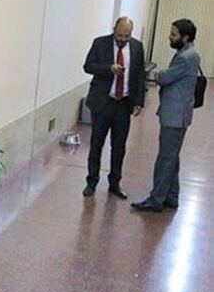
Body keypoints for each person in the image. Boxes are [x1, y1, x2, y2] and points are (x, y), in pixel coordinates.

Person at [132, 19, 201, 212]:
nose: (170, 37)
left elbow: (163, 77)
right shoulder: (189, 53)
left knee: (165, 158)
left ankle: (156, 200)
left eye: (174, 34)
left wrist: (160, 74)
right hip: (179, 113)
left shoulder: (185, 57)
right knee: (172, 156)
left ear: (185, 37)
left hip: (175, 115)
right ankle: (171, 196)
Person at [82, 16, 146, 199]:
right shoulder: (100, 43)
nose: (123, 39)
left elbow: (140, 75)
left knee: (119, 146)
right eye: (120, 35)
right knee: (96, 144)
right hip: (103, 102)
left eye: (127, 36)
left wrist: (138, 102)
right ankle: (91, 182)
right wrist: (108, 68)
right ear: (114, 29)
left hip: (123, 104)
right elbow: (88, 66)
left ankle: (115, 183)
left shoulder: (136, 47)